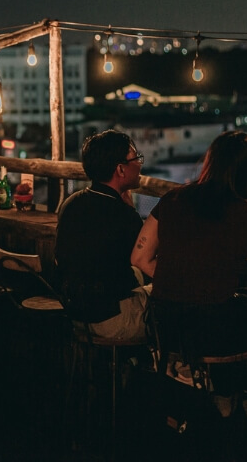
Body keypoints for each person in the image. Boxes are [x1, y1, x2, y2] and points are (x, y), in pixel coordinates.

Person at [131, 130, 247, 410]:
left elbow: (140, 257)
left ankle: (221, 392)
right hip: (214, 330)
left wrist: (181, 281)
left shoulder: (174, 198)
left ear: (210, 162)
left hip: (166, 325)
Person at [55, 129, 149, 341]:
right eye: (136, 158)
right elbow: (144, 259)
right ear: (120, 170)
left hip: (75, 315)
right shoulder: (124, 215)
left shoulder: (70, 204)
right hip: (111, 322)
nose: (140, 164)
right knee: (166, 305)